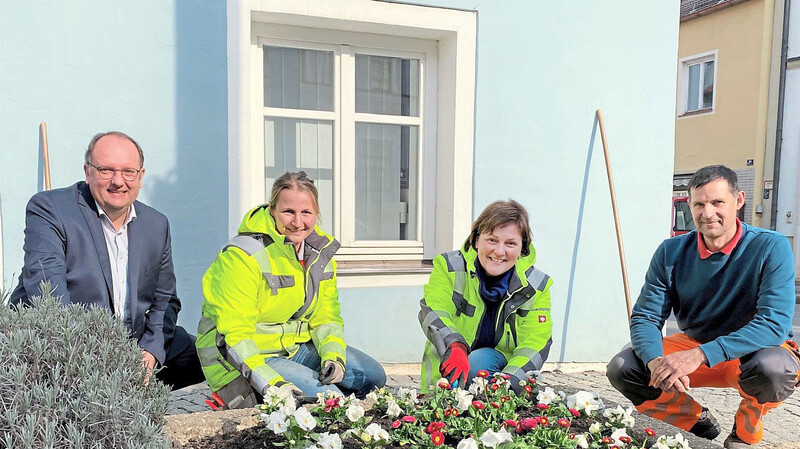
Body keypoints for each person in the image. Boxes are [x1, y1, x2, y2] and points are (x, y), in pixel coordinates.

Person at [606, 165, 800, 448]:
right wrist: (655, 362)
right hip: (695, 344)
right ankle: (695, 420)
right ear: (690, 205)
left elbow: (774, 324)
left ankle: (745, 430)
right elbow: (646, 317)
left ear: (739, 200)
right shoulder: (670, 252)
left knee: (775, 369)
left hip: (751, 353)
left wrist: (699, 355)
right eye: (699, 204)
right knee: (624, 367)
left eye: (717, 202)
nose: (707, 213)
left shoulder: (771, 247)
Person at [10, 131, 204, 390]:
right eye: (106, 170)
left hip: (131, 340)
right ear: (87, 172)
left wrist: (150, 353)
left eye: (128, 172)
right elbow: (50, 300)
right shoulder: (50, 210)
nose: (118, 181)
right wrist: (95, 361)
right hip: (70, 346)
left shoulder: (156, 224)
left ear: (141, 176)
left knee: (206, 355)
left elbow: (165, 301)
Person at [197, 171, 386, 409]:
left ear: (316, 214)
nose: (298, 223)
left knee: (373, 376)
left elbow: (326, 316)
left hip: (292, 347)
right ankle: (249, 400)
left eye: (306, 212)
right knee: (331, 400)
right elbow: (234, 336)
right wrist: (272, 384)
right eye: (288, 212)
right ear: (272, 209)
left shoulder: (319, 254)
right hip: (243, 356)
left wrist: (333, 356)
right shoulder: (241, 257)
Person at [418, 199, 553, 393]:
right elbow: (433, 309)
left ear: (522, 248)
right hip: (446, 379)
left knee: (478, 362)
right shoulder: (449, 267)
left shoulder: (536, 286)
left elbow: (536, 342)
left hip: (501, 375)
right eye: (492, 240)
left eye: (510, 243)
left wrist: (509, 384)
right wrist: (455, 345)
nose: (499, 251)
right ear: (475, 239)